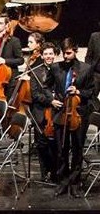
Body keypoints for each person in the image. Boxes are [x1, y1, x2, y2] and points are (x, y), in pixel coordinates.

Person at [52, 38, 94, 198]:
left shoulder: (86, 68)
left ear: (75, 50)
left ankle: (75, 183)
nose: (66, 56)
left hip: (79, 114)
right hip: (61, 114)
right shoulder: (56, 68)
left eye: (69, 53)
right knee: (62, 149)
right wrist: (51, 99)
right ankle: (63, 182)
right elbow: (46, 86)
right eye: (64, 53)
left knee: (77, 149)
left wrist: (78, 92)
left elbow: (90, 91)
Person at [29, 41, 59, 184]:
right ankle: (44, 172)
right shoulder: (35, 71)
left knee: (56, 144)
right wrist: (50, 101)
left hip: (57, 112)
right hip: (40, 112)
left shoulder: (60, 69)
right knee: (42, 144)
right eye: (46, 54)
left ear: (55, 55)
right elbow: (35, 95)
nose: (48, 56)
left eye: (51, 54)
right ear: (41, 55)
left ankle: (55, 172)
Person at [85, 22, 100, 107]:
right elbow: (88, 56)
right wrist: (89, 72)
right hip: (96, 74)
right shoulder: (94, 36)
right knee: (91, 99)